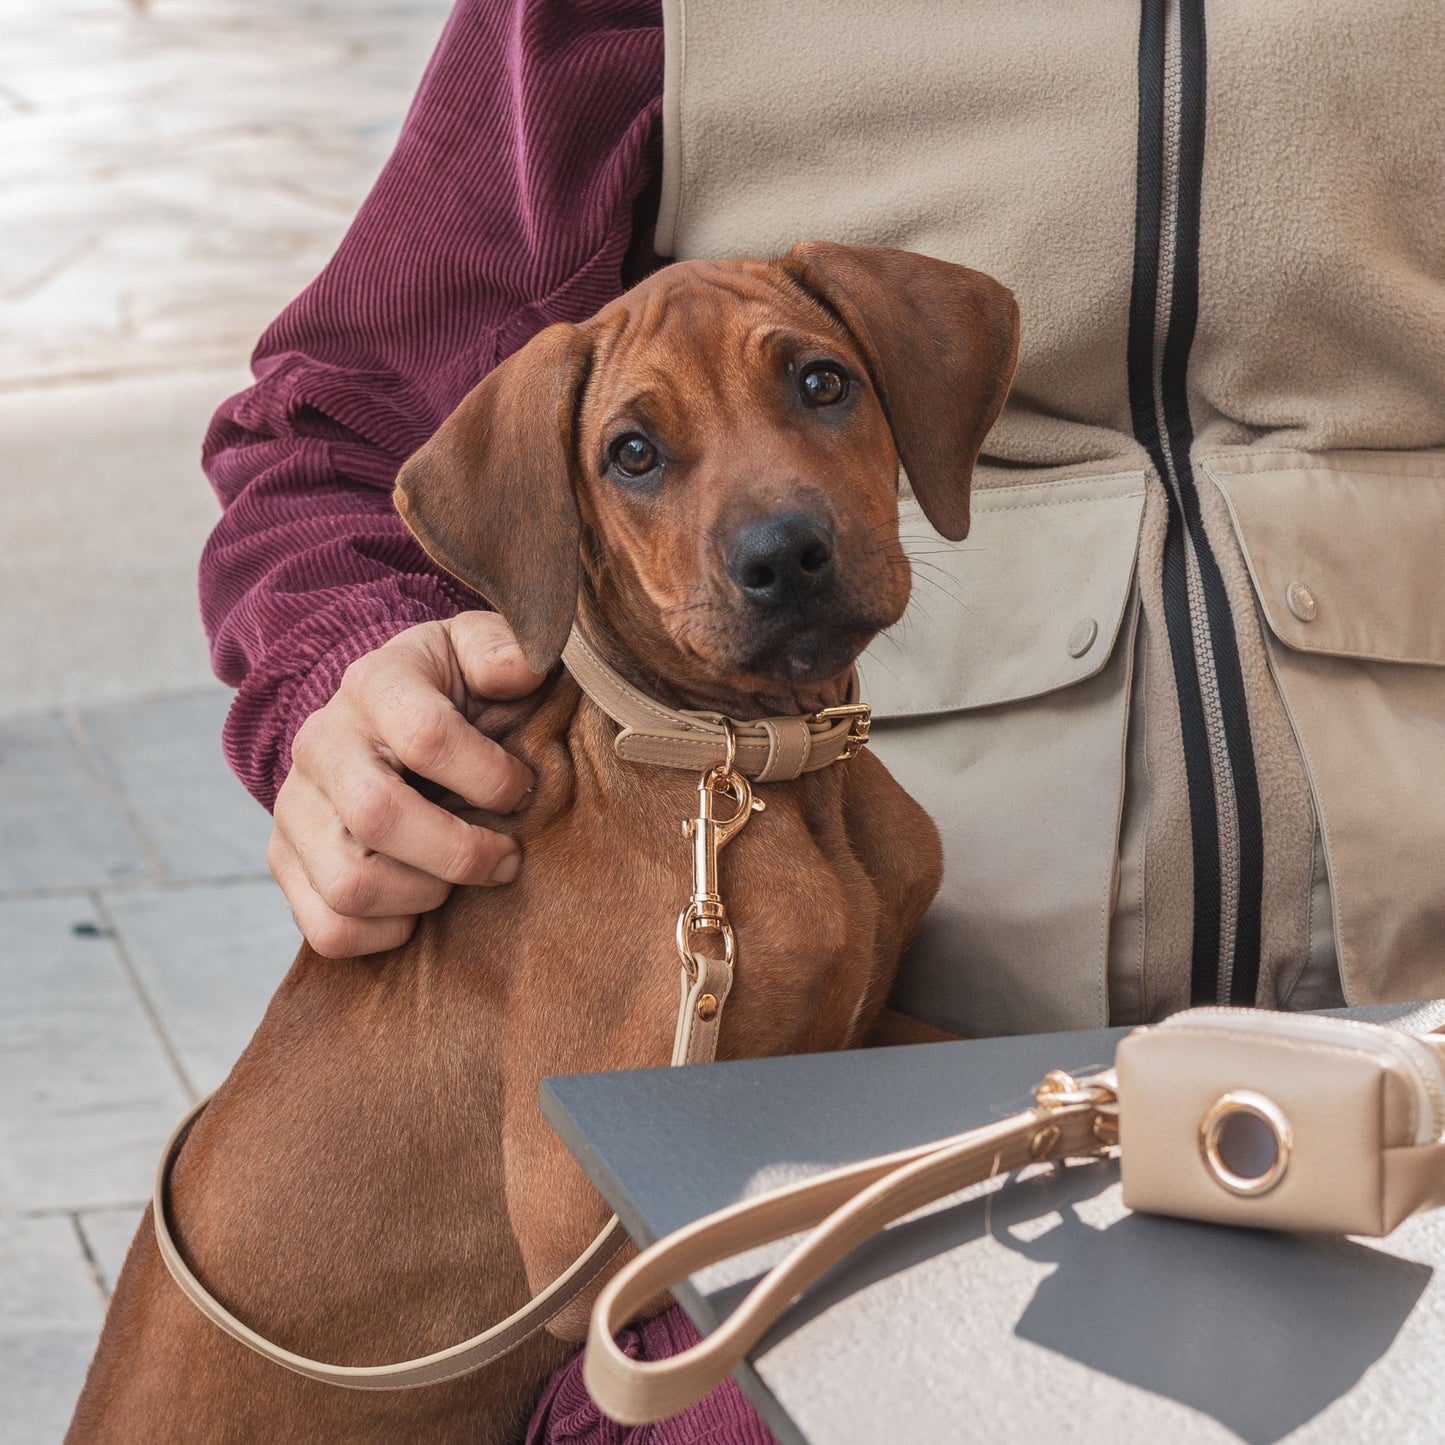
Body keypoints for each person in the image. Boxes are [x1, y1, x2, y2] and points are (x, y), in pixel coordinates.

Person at [200, 0, 1445, 1437]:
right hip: (870, 1129)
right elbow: (341, 417)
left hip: (1407, 1045)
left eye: (815, 386)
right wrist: (345, 674)